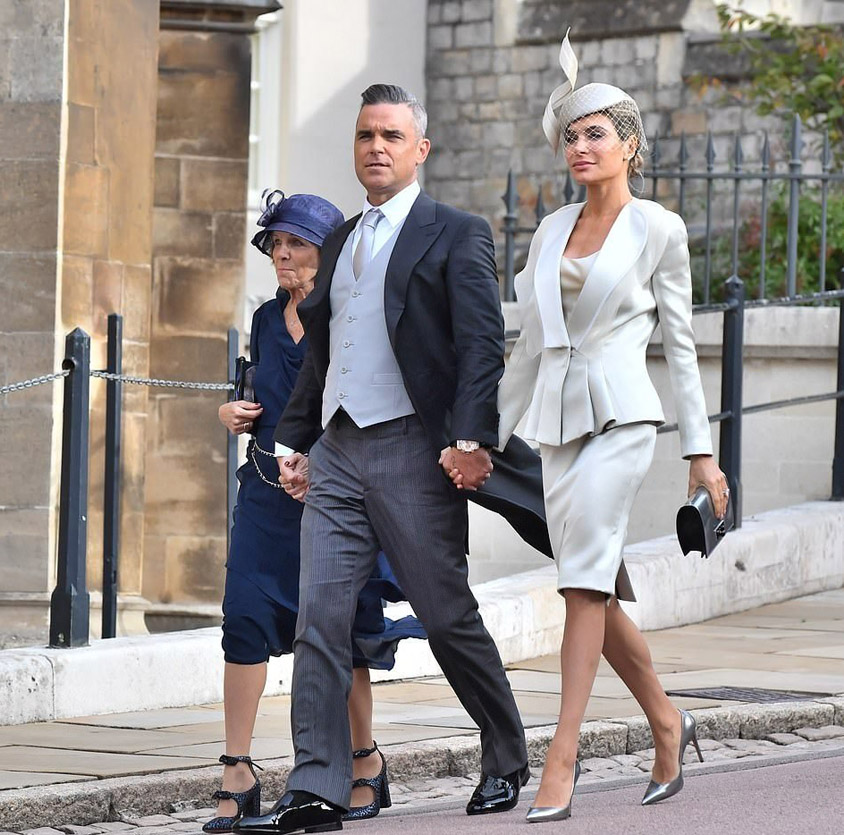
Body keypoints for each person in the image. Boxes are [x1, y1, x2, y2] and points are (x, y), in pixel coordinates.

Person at [234, 84, 530, 835]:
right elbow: (323, 353)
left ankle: (505, 752)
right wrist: (295, 441)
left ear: (419, 149)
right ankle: (316, 786)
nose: (376, 147)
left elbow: (482, 346)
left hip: (413, 447)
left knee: (445, 612)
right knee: (319, 619)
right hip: (337, 449)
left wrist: (471, 438)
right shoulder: (338, 242)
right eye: (367, 135)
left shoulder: (456, 232)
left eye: (392, 136)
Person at [496, 32, 729, 823]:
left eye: (596, 133)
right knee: (590, 584)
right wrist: (482, 436)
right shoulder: (548, 230)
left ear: (629, 144)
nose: (580, 146)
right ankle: (667, 720)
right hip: (556, 431)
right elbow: (530, 346)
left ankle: (561, 757)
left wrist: (701, 452)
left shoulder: (659, 228)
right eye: (571, 135)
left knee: (581, 586)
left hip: (625, 420)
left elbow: (682, 347)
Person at [205, 190, 424, 833]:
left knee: (343, 630)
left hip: (339, 495)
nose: (282, 254)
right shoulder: (265, 319)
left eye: (296, 243)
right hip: (265, 495)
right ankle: (238, 771)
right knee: (243, 619)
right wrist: (231, 411)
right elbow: (258, 396)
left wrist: (326, 467)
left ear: (326, 253)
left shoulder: (351, 314)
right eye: (275, 243)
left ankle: (364, 761)